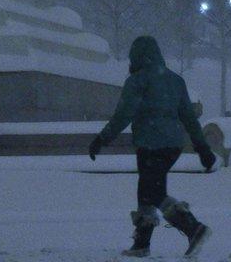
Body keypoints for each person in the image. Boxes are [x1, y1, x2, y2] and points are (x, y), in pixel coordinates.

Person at [89, 35, 216, 258]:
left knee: (153, 191)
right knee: (146, 190)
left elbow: (123, 115)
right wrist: (202, 149)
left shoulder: (138, 80)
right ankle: (142, 243)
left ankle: (193, 228)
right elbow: (189, 118)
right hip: (173, 145)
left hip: (150, 144)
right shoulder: (176, 80)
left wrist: (102, 139)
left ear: (136, 57)